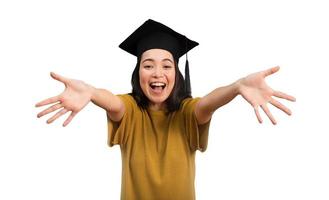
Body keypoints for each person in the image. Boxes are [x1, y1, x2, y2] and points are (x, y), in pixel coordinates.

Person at [35, 19, 296, 200]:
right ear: (138, 73)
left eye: (166, 66)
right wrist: (91, 92)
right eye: (148, 65)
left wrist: (237, 86)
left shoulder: (187, 112)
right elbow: (112, 103)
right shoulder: (130, 111)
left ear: (176, 73)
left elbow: (207, 103)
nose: (157, 73)